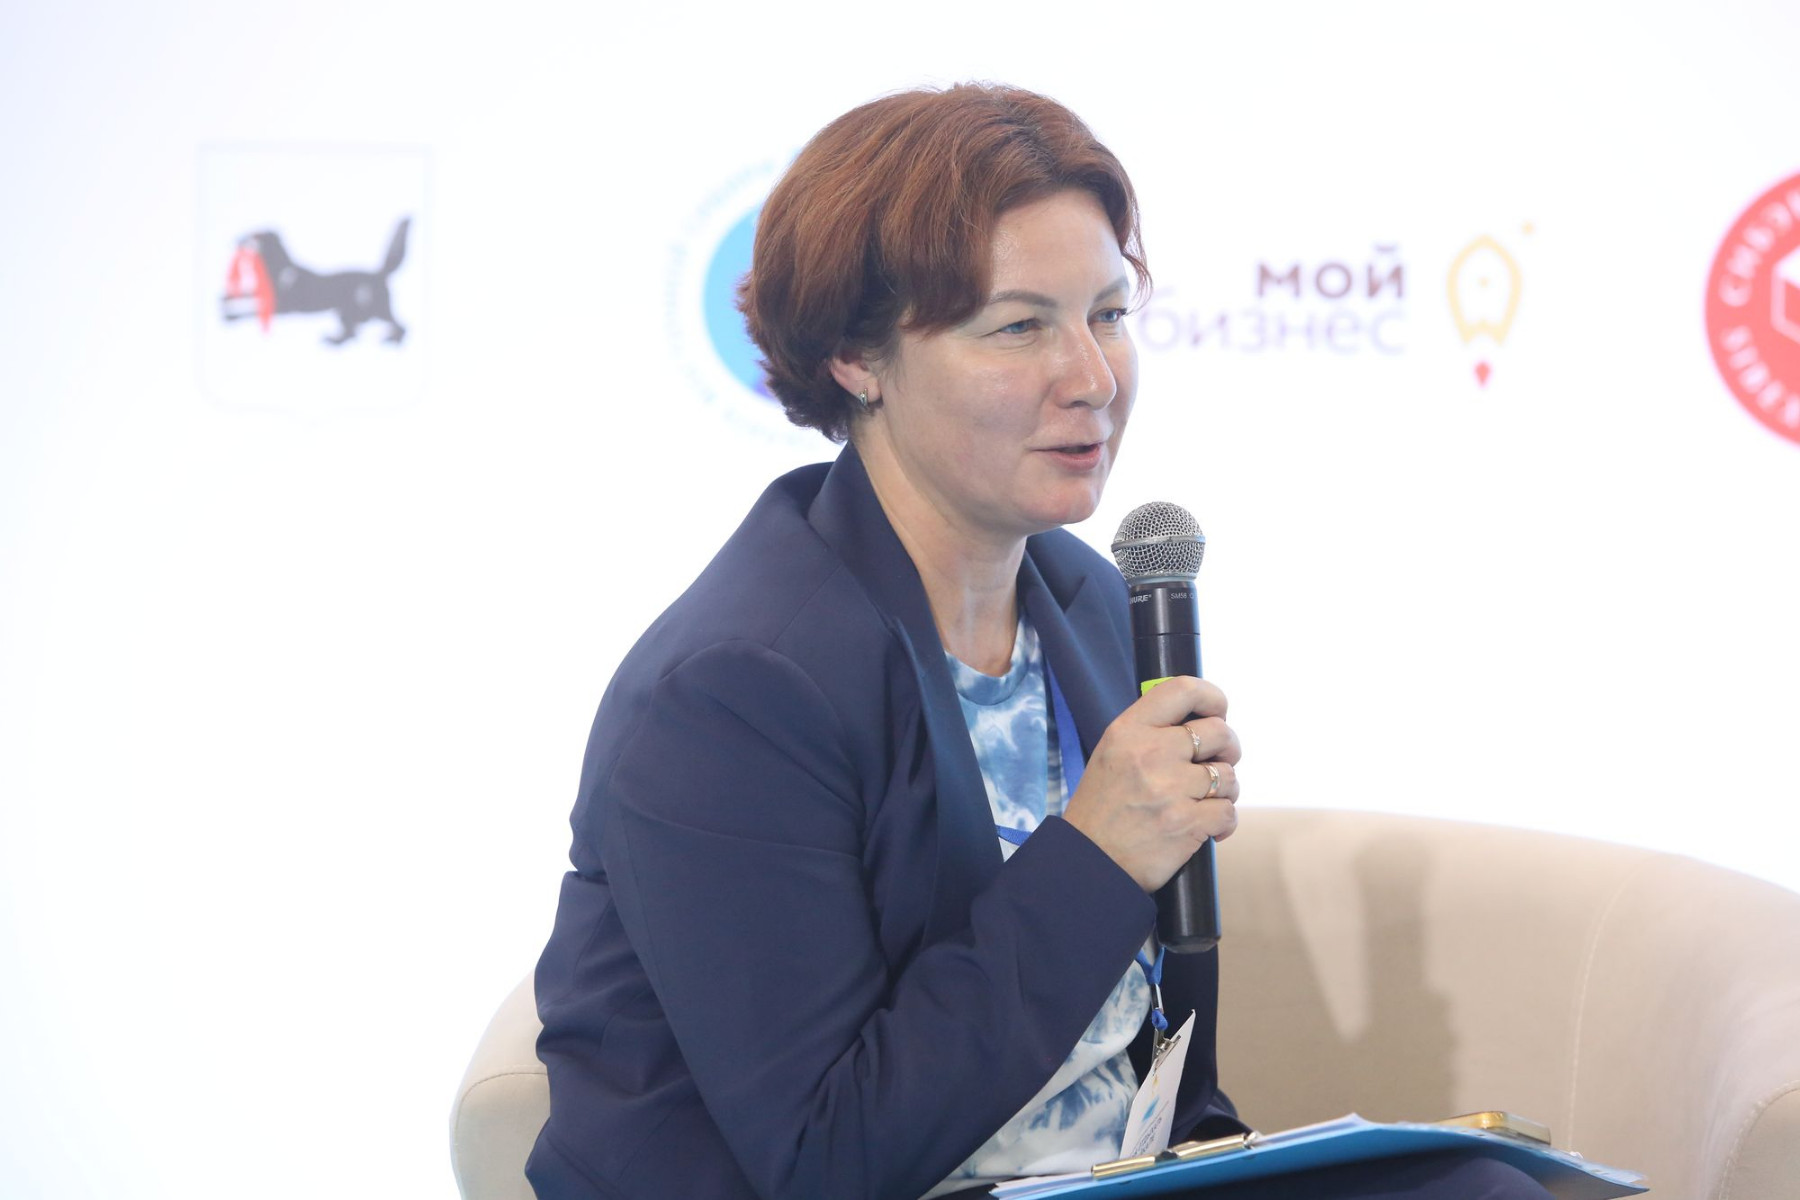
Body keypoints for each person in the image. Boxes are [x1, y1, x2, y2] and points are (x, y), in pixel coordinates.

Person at [527, 84, 1550, 1200]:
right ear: (858, 358)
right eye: (1020, 327)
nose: (1094, 379)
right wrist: (1098, 854)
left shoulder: (1089, 600)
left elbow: (1149, 1057)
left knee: (1482, 1190)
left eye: (1108, 315)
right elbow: (828, 1156)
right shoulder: (736, 690)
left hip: (1105, 1180)